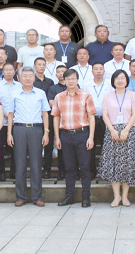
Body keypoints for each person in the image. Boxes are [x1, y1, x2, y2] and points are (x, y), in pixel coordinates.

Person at [6, 67, 50, 207]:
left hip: (36, 130)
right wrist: (9, 134)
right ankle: (21, 196)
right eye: (24, 76)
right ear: (20, 78)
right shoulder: (14, 93)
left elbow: (45, 114)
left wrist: (46, 133)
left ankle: (37, 197)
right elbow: (10, 115)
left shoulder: (40, 93)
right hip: (19, 129)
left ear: (34, 78)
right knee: (20, 164)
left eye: (30, 75)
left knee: (36, 164)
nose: (27, 78)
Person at [53, 69, 96, 208]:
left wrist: (91, 137)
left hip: (82, 134)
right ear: (64, 80)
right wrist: (57, 137)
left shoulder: (86, 95)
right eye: (68, 79)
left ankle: (86, 196)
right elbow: (56, 117)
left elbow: (91, 117)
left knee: (85, 167)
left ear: (77, 80)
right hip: (65, 135)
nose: (70, 81)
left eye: (73, 78)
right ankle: (69, 196)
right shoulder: (59, 97)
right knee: (69, 167)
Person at [97, 70, 135, 207]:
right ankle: (116, 197)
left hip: (129, 131)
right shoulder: (107, 96)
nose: (120, 81)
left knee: (127, 164)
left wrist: (126, 130)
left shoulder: (133, 95)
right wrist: (112, 130)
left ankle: (125, 196)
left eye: (122, 78)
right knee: (114, 165)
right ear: (113, 81)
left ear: (127, 80)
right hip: (112, 131)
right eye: (117, 78)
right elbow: (105, 115)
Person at [85, 62, 115, 178]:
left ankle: (106, 172)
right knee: (90, 146)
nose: (98, 71)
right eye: (96, 69)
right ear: (92, 71)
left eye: (100, 69)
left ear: (104, 71)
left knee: (106, 146)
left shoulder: (109, 84)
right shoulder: (87, 85)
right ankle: (91, 172)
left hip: (105, 119)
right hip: (91, 118)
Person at [0, 63, 21, 181]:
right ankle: (1, 172)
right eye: (6, 70)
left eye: (11, 70)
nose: (8, 72)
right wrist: (5, 114)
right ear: (2, 72)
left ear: (15, 72)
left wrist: (13, 116)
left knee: (16, 148)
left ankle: (14, 172)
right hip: (1, 122)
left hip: (16, 121)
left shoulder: (20, 85)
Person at [45, 65, 67, 180]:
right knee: (50, 145)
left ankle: (63, 171)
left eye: (63, 71)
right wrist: (64, 108)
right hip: (54, 118)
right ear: (56, 74)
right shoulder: (53, 88)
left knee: (64, 145)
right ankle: (48, 170)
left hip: (69, 120)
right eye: (58, 72)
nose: (61, 73)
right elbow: (50, 102)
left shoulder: (73, 86)